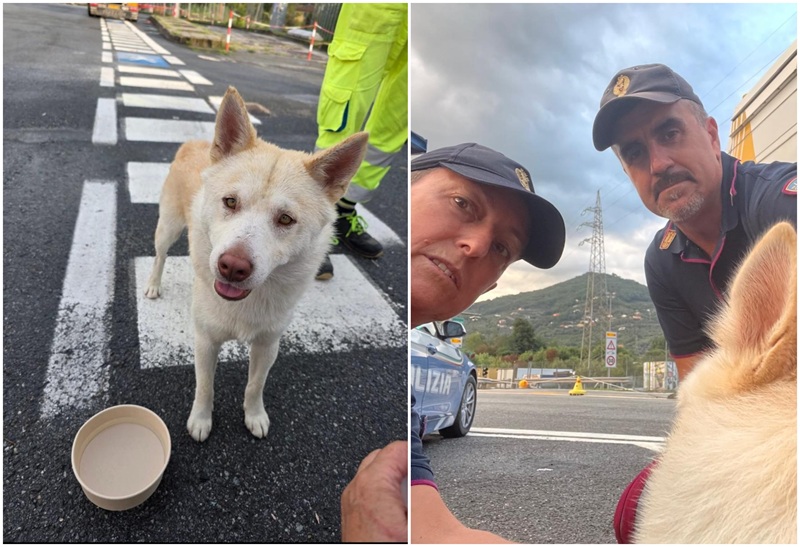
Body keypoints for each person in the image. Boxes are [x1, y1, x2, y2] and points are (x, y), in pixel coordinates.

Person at [591, 63, 797, 543]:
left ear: (711, 134)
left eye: (670, 133)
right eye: (635, 153)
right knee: (633, 510)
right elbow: (697, 396)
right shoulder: (662, 259)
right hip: (748, 421)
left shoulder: (780, 202)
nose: (658, 164)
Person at [314, 3, 408, 279]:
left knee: (394, 123)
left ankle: (344, 211)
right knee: (343, 114)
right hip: (373, 10)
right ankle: (316, 224)